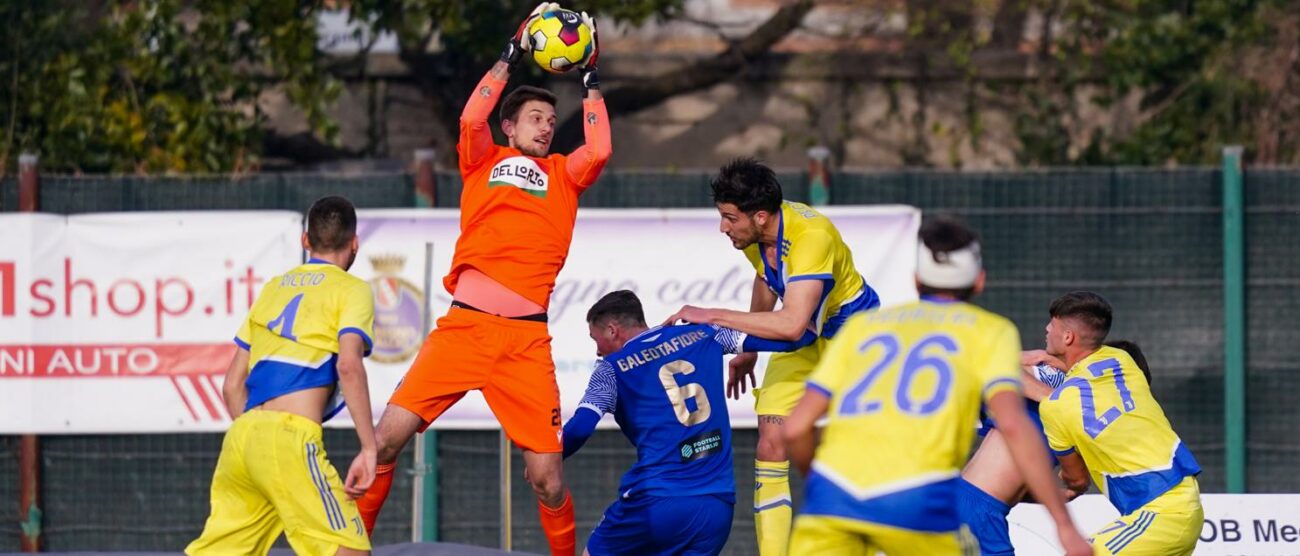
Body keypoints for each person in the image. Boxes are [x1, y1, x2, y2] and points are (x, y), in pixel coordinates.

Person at [354, 4, 610, 554]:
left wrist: (590, 82)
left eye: (549, 119)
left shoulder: (563, 173)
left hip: (524, 343)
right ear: (509, 126)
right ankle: (350, 549)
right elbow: (471, 119)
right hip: (462, 332)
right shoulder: (482, 157)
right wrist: (508, 58)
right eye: (535, 118)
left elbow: (601, 148)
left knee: (547, 478)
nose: (545, 125)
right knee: (383, 443)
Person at [782, 217, 1091, 556]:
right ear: (979, 282)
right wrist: (1064, 526)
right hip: (918, 497)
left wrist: (820, 482)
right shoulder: (990, 332)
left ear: (916, 281)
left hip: (831, 499)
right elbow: (1015, 428)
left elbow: (796, 427)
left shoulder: (862, 328)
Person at [664, 157, 880, 555]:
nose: (723, 228)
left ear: (760, 216)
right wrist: (748, 349)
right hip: (803, 340)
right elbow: (766, 279)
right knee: (771, 443)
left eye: (729, 218)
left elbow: (794, 324)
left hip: (853, 342)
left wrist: (712, 315)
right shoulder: (757, 236)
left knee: (858, 457)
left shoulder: (812, 236)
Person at [187, 196, 377, 555]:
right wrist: (369, 448)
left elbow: (231, 386)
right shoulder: (352, 289)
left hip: (242, 437)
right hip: (289, 439)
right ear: (355, 244)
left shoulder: (274, 287)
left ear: (306, 241)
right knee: (349, 550)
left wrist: (259, 441)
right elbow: (349, 366)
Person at [564, 290, 817, 556]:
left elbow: (580, 428)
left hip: (655, 503)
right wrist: (808, 312)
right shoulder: (707, 334)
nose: (597, 350)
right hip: (716, 508)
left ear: (613, 330)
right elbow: (794, 338)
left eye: (596, 339)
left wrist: (546, 457)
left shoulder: (610, 369)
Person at [1039, 292, 1203, 555]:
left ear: (1068, 337)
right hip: (1180, 502)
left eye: (1053, 325)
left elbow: (1077, 480)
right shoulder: (1121, 360)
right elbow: (1068, 367)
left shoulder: (1054, 408)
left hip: (1161, 513)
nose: (1047, 329)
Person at [958, 340, 1151, 556]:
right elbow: (978, 362)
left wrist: (1055, 495)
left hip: (980, 508)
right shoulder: (1060, 383)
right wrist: (1026, 359)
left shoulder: (1082, 412)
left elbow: (1013, 487)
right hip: (976, 509)